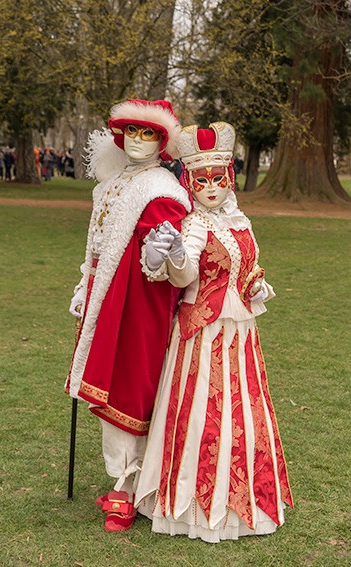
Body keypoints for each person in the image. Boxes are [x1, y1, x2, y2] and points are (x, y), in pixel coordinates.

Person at [135, 122, 293, 542]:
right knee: (202, 412)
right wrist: (167, 255)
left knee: (243, 411)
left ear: (229, 178)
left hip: (241, 334)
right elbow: (184, 274)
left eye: (216, 178)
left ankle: (244, 500)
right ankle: (194, 504)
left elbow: (249, 268)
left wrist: (257, 284)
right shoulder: (192, 225)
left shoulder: (241, 220)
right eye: (200, 179)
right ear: (189, 180)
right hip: (201, 336)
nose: (209, 187)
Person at [65, 99, 192, 532]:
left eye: (149, 133)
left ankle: (130, 486)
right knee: (108, 381)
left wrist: (157, 256)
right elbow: (96, 243)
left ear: (164, 140)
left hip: (138, 301)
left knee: (128, 385)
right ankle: (121, 480)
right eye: (132, 132)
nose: (138, 141)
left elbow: (166, 261)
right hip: (106, 294)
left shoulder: (162, 190)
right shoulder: (110, 183)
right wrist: (85, 283)